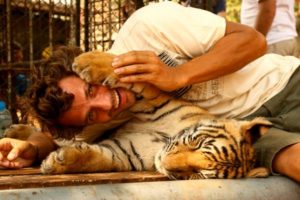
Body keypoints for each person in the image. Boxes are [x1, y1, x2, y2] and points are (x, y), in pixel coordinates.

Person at [1, 1, 290, 177]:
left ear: (84, 62)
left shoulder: (147, 27)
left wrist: (179, 75)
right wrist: (30, 148)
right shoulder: (102, 117)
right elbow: (54, 138)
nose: (107, 104)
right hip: (246, 132)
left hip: (284, 85)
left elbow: (252, 41)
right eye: (91, 116)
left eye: (91, 90)